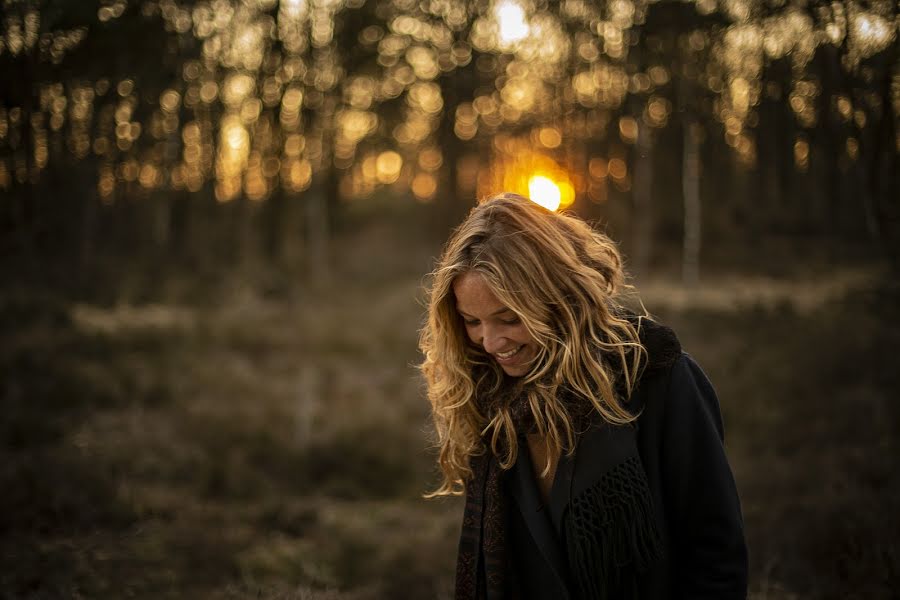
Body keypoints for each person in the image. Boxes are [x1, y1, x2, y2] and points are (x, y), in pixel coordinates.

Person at [419, 193, 748, 599]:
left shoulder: (656, 377)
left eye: (510, 318)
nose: (490, 341)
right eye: (472, 321)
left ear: (557, 297)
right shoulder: (489, 398)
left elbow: (715, 552)